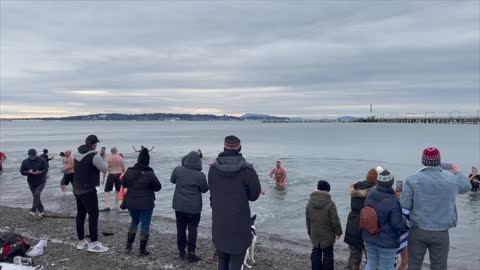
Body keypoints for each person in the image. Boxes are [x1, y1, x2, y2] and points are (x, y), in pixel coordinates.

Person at [399, 147, 471, 270]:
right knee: (440, 266)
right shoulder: (451, 179)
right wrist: (457, 171)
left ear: (423, 161)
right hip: (441, 232)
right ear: (439, 162)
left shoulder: (412, 179)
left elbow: (405, 205)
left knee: (414, 265)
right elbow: (466, 187)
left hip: (418, 230)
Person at [208, 135, 261, 270]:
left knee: (222, 260)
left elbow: (212, 196)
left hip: (219, 223)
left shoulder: (213, 169)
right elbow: (254, 195)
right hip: (240, 225)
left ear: (224, 148)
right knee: (237, 263)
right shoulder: (247, 170)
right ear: (239, 148)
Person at [362, 169, 405, 270]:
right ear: (391, 183)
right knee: (386, 267)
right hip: (387, 242)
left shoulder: (370, 194)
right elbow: (396, 225)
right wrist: (404, 220)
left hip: (369, 236)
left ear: (378, 182)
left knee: (371, 264)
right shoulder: (393, 201)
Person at [73, 134, 109, 253]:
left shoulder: (77, 153)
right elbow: (105, 169)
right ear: (94, 144)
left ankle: (81, 241)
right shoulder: (95, 156)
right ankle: (93, 243)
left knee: (81, 215)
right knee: (93, 215)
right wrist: (103, 158)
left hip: (77, 188)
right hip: (88, 189)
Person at [122, 148, 161, 256]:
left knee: (134, 221)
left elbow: (124, 184)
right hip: (146, 203)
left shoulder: (129, 171)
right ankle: (142, 251)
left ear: (138, 159)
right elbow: (158, 187)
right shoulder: (150, 172)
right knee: (145, 224)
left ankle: (128, 248)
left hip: (131, 202)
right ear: (148, 160)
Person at [171, 151, 209, 262]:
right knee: (193, 229)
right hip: (194, 208)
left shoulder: (178, 170)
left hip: (179, 206)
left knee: (181, 228)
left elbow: (172, 180)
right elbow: (205, 190)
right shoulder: (200, 175)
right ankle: (191, 253)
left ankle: (181, 252)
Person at [344, 168, 378, 270]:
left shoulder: (356, 187)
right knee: (371, 256)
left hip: (353, 224)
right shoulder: (374, 192)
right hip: (367, 225)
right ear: (377, 180)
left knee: (354, 254)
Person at [306, 180, 343, 270]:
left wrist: (310, 232)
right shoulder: (330, 203)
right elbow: (335, 220)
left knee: (316, 252)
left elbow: (308, 219)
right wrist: (339, 232)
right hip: (327, 235)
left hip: (315, 233)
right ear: (328, 191)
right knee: (328, 254)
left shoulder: (310, 202)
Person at [20, 149, 48, 217]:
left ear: (36, 154)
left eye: (34, 155)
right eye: (31, 156)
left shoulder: (42, 160)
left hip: (41, 180)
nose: (33, 157)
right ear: (28, 155)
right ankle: (41, 210)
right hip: (31, 181)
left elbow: (46, 169)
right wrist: (28, 172)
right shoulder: (25, 161)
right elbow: (22, 171)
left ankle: (33, 210)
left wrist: (40, 172)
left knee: (37, 194)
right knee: (36, 196)